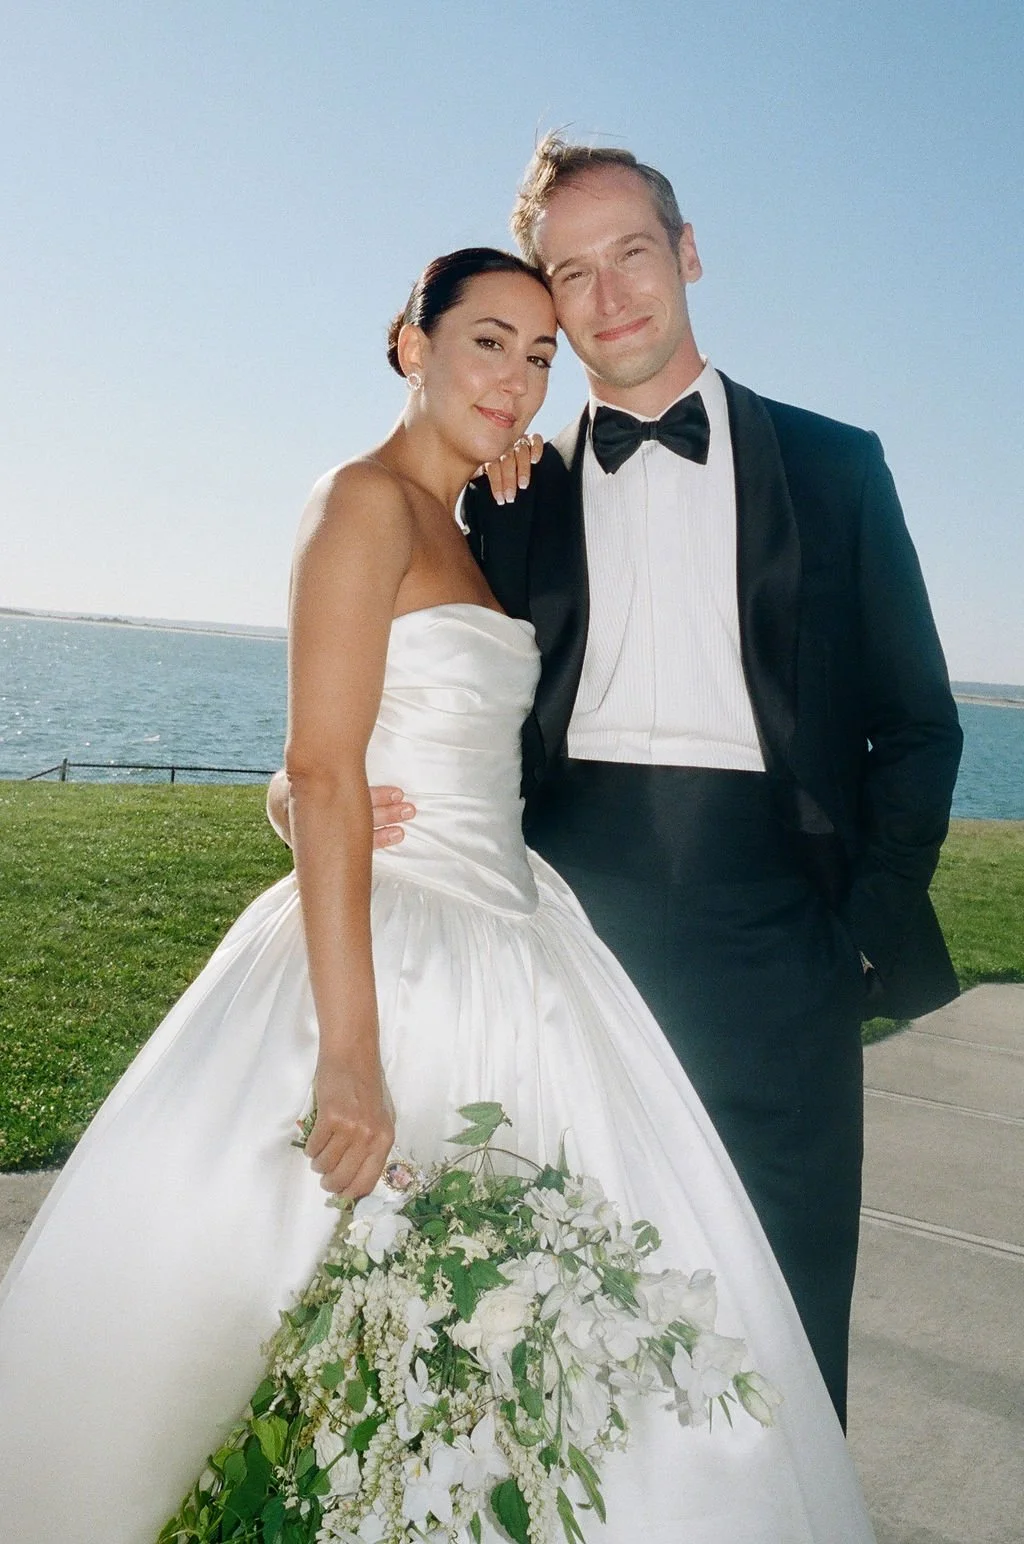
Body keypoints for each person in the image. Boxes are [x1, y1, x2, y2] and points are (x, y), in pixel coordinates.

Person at [0, 248, 876, 1542]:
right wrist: (351, 1059)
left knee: (519, 1335)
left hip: (520, 936)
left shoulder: (467, 524)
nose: (517, 379)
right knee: (303, 1314)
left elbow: (356, 743)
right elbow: (323, 763)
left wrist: (299, 796)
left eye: (538, 356)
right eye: (488, 342)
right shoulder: (358, 500)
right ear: (411, 344)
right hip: (393, 953)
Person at [302, 137, 963, 1428]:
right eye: (571, 275)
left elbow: (920, 727)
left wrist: (855, 948)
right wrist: (298, 797)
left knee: (780, 1331)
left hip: (783, 945)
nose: (606, 300)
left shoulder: (839, 471)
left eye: (633, 256)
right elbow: (389, 688)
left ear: (690, 254)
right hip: (563, 939)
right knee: (559, 1325)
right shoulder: (509, 496)